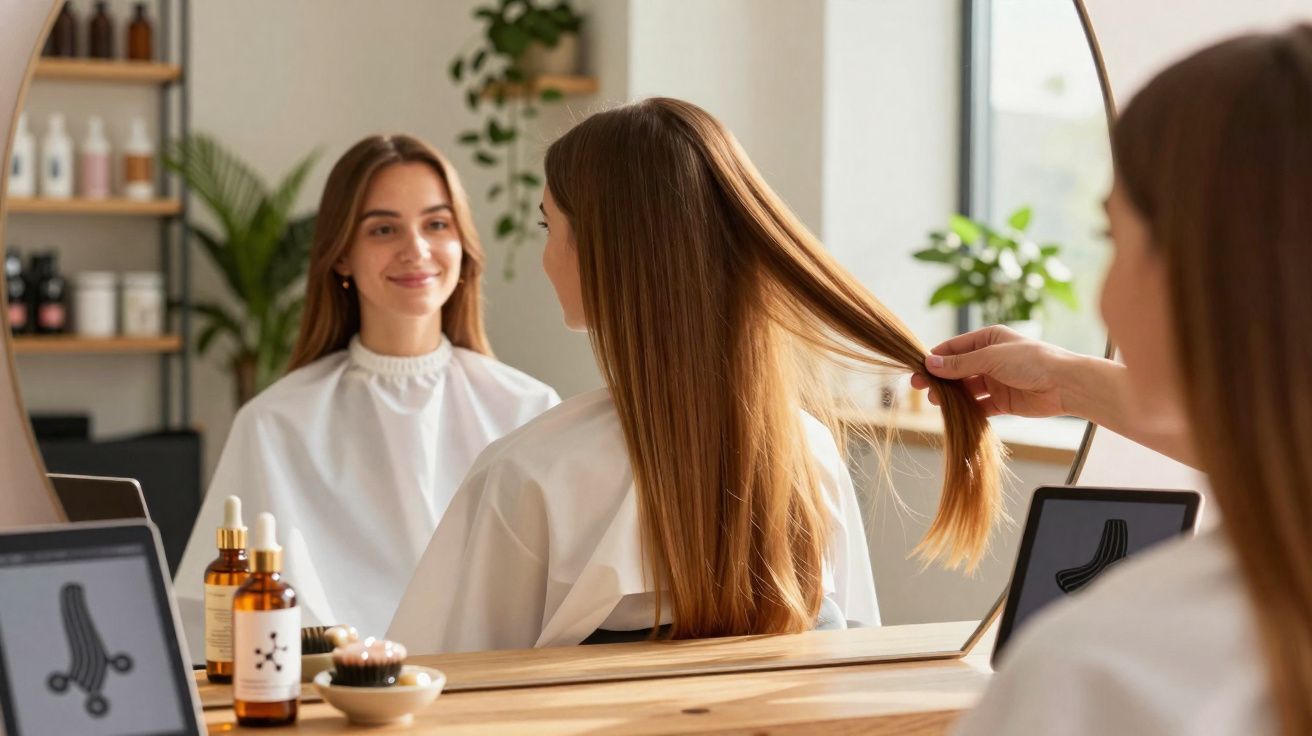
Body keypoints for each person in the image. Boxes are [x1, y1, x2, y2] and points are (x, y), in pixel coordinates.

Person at [388, 98, 1005, 653]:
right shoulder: (807, 451)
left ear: (606, 251)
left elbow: (434, 688)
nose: (545, 254)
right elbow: (849, 664)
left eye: (551, 226)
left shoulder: (530, 476)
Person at [936, 25, 1312, 736]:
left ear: (1198, 273)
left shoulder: (1098, 670)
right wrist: (1066, 381)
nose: (1103, 299)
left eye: (1113, 238)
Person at [175, 135, 560, 647]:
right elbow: (218, 624)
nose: (416, 249)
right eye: (383, 228)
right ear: (340, 257)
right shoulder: (274, 423)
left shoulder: (528, 409)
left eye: (437, 224)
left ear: (462, 246)